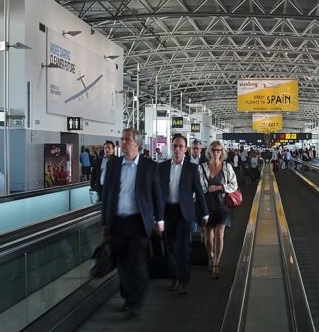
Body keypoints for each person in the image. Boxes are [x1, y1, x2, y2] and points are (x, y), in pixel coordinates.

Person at [100, 128, 165, 318]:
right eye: (122, 139)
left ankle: (135, 301)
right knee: (122, 262)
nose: (123, 142)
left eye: (127, 139)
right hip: (118, 222)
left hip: (139, 222)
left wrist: (160, 219)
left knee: (136, 260)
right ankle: (128, 296)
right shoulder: (113, 165)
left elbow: (157, 194)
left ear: (137, 144)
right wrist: (105, 222)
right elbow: (107, 195)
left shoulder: (149, 166)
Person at [157, 134, 209, 295]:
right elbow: (157, 192)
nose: (177, 149)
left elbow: (199, 192)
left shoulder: (191, 168)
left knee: (181, 247)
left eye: (181, 146)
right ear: (171, 147)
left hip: (184, 212)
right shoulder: (162, 167)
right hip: (167, 212)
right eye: (175, 146)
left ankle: (183, 280)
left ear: (186, 149)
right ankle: (174, 277)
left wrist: (205, 213)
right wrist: (156, 215)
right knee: (170, 247)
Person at [200, 141, 238, 280]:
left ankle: (216, 263)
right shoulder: (202, 167)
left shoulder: (227, 167)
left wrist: (220, 187)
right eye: (213, 150)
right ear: (209, 151)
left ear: (222, 152)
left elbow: (234, 185)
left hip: (222, 205)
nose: (216, 152)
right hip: (207, 205)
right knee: (208, 237)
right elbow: (198, 186)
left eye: (218, 150)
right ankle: (210, 255)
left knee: (219, 234)